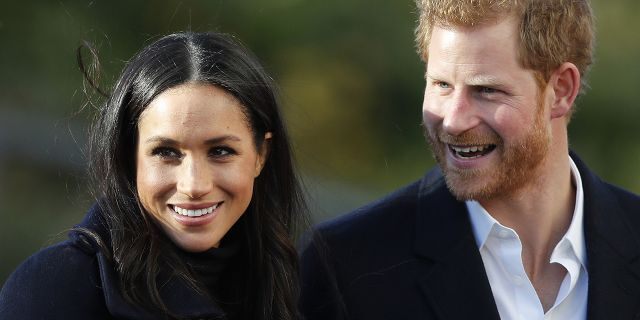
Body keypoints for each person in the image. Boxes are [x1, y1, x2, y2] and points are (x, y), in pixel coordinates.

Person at [300, 0, 640, 319]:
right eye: (442, 85)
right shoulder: (344, 267)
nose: (453, 121)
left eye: (486, 90)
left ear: (561, 90)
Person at [0, 31, 306, 320]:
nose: (194, 185)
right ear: (129, 156)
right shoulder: (54, 289)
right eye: (166, 152)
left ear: (261, 155)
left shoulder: (301, 288)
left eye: (221, 151)